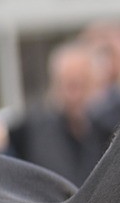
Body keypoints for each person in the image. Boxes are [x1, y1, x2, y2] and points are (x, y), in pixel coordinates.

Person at [8, 41, 108, 186]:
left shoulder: (107, 131)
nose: (75, 96)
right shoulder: (32, 130)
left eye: (82, 85)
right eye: (69, 86)